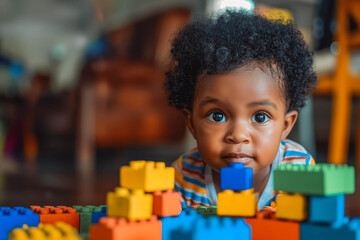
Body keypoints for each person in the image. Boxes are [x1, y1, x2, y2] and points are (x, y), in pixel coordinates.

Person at [165, 9, 317, 210]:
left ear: (286, 125)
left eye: (260, 117)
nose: (237, 135)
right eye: (217, 116)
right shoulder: (183, 177)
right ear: (191, 122)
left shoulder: (298, 171)